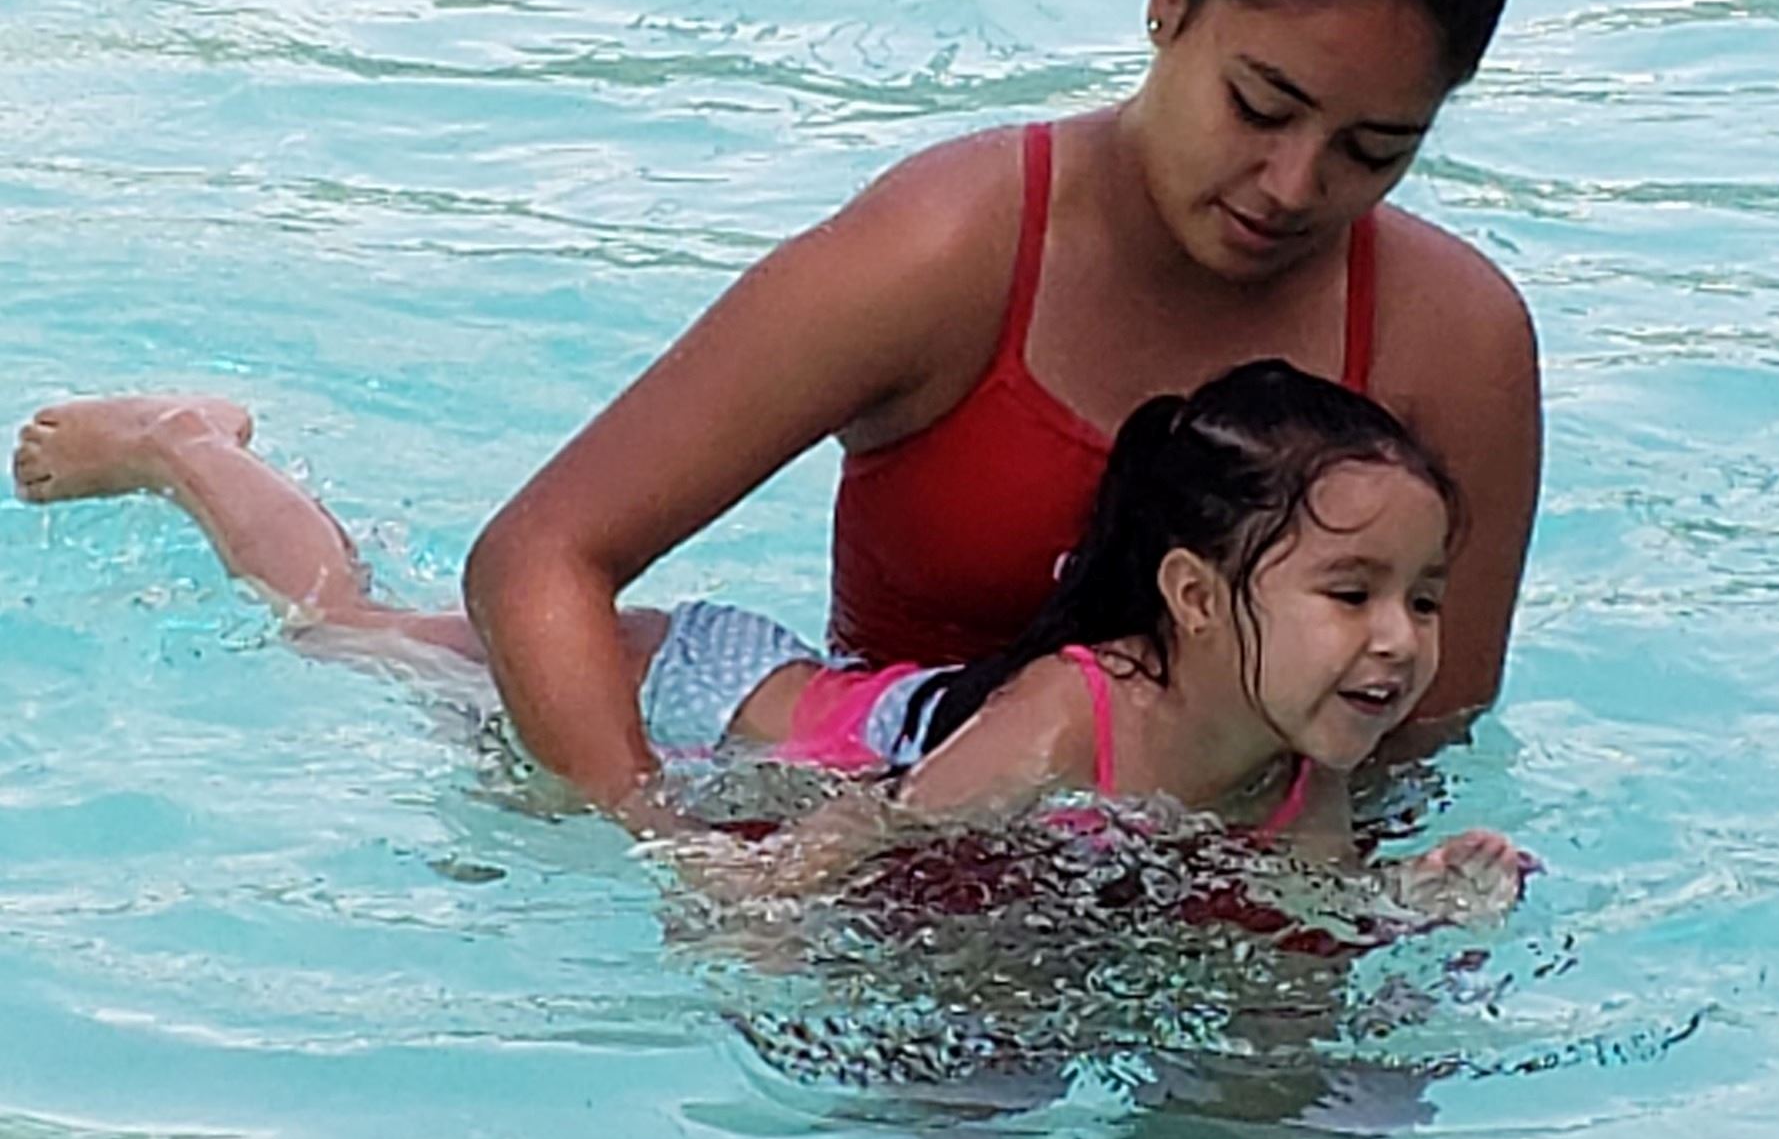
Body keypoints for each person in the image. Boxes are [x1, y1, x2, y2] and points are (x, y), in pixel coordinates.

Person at [460, 0, 1541, 812]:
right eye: (1259, 106)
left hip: (1135, 863)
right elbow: (540, 555)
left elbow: (1418, 749)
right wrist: (656, 847)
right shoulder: (948, 249)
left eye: (1374, 150)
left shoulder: (1451, 342)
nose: (1293, 185)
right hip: (864, 778)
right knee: (368, 636)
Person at [10, 361, 1524, 917]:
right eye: (1349, 596)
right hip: (704, 694)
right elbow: (872, 828)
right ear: (1194, 598)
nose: (1396, 644)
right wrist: (739, 886)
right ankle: (185, 443)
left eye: (1423, 599)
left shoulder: (1295, 762)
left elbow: (1296, 901)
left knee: (375, 628)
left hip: (800, 701)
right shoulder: (1073, 713)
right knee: (339, 633)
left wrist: (1410, 896)